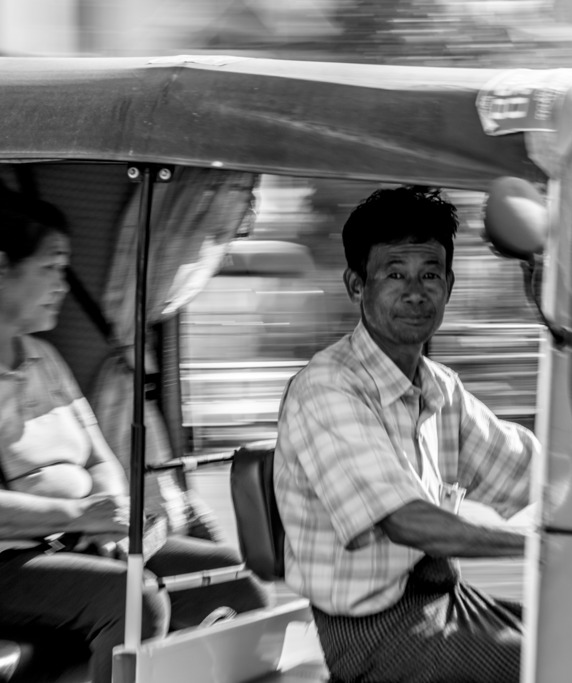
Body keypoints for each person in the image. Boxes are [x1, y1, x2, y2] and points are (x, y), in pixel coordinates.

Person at [0, 193, 269, 683]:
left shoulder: (44, 357)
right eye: (51, 268)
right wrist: (77, 515)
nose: (62, 285)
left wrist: (110, 522)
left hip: (76, 539)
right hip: (11, 561)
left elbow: (100, 457)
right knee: (135, 598)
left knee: (235, 578)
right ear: (2, 266)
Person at [275, 186, 538, 683]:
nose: (416, 292)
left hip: (447, 600)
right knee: (561, 665)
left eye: (430, 274)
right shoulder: (328, 387)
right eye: (395, 274)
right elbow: (406, 521)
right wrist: (535, 544)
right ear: (357, 284)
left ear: (450, 284)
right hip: (374, 632)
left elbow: (527, 468)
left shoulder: (439, 388)